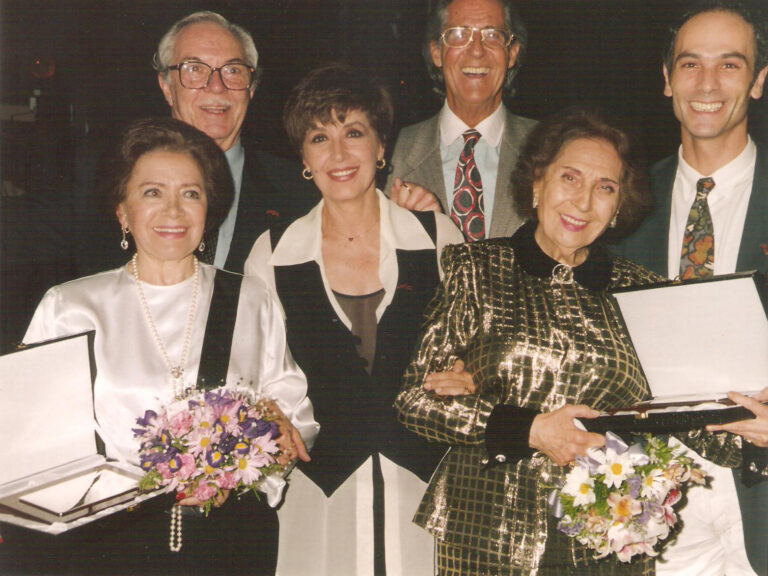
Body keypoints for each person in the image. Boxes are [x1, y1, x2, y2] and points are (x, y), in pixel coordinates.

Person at [0, 118, 318, 576]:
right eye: (152, 192)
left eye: (191, 193)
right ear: (123, 212)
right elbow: (32, 444)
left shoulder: (250, 298)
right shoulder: (71, 306)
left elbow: (292, 411)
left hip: (230, 541)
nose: (173, 210)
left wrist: (255, 460)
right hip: (107, 546)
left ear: (209, 209)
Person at [395, 109, 668, 575]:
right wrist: (527, 429)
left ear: (620, 205)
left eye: (605, 187)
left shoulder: (642, 291)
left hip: (601, 538)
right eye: (570, 178)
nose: (583, 202)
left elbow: (670, 409)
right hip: (486, 533)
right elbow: (414, 402)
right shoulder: (475, 268)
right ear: (538, 183)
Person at [245, 63, 464, 575]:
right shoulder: (272, 255)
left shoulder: (437, 238)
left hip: (429, 487)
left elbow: (480, 351)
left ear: (381, 148)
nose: (339, 154)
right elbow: (252, 375)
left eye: (355, 133)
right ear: (303, 156)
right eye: (320, 137)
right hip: (320, 490)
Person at [614, 2, 768, 574]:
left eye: (729, 65)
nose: (706, 84)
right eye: (689, 64)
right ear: (666, 78)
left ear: (758, 81)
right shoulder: (621, 204)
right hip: (657, 501)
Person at [385, 0, 537, 241]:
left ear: (512, 54)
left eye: (492, 35)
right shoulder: (391, 152)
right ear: (436, 52)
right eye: (458, 35)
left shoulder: (551, 149)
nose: (476, 50)